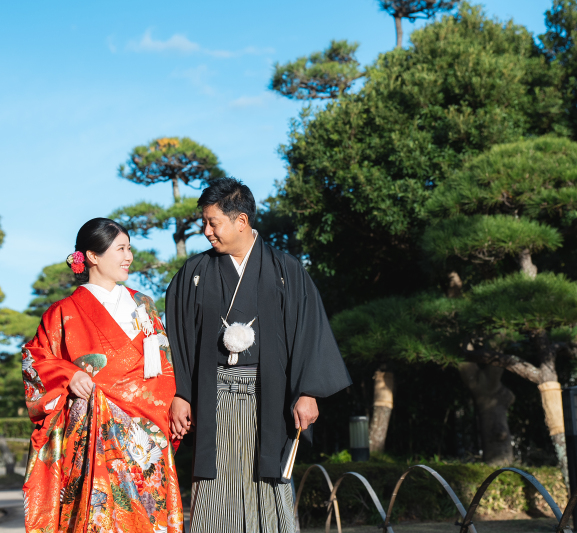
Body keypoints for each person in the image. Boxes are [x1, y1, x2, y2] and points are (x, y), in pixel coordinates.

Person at [165, 178, 352, 533]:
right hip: (213, 395)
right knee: (215, 483)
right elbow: (176, 339)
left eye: (212, 222)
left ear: (241, 221)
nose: (206, 231)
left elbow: (309, 332)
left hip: (272, 398)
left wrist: (308, 392)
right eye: (204, 223)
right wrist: (181, 393)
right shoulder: (195, 274)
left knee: (270, 479)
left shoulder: (287, 271)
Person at [22, 218, 184, 533]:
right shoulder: (63, 312)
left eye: (130, 248)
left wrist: (173, 404)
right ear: (93, 256)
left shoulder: (144, 307)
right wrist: (69, 374)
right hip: (94, 435)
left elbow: (164, 365)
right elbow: (35, 359)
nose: (129, 257)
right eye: (121, 248)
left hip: (147, 437)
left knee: (149, 518)